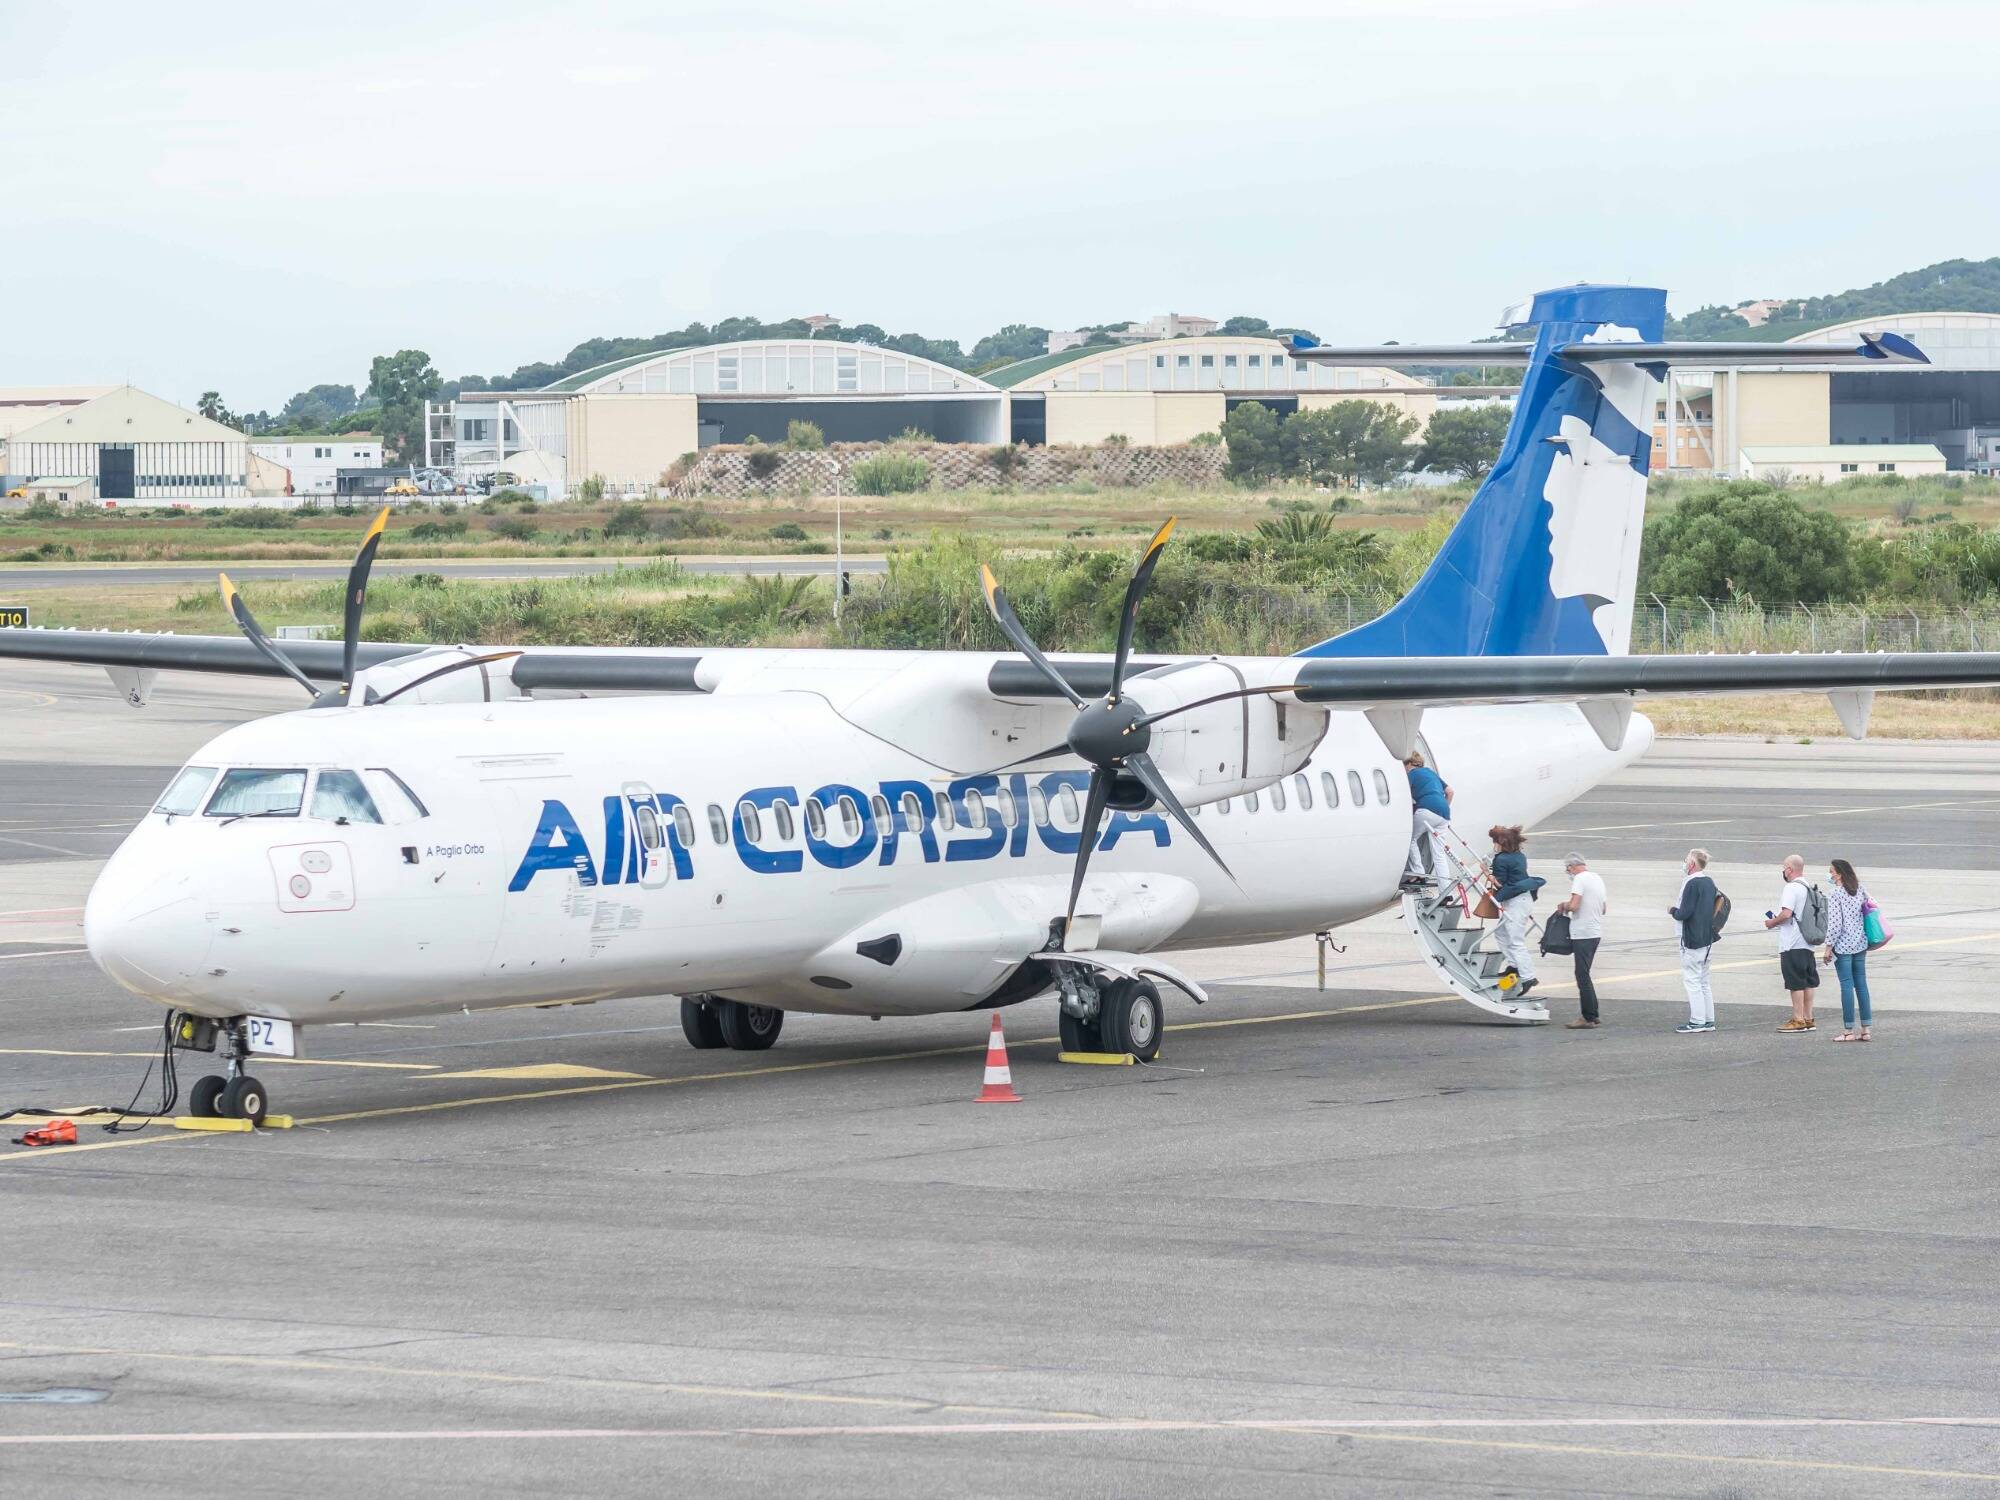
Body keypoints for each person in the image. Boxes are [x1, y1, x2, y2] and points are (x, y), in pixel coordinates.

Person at [1668, 847, 1721, 1034]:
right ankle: (1708, 1019)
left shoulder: (1690, 883)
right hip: (1707, 937)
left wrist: (1673, 911)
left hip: (1692, 938)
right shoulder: (1709, 881)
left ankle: (1697, 1020)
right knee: (1704, 981)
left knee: (1692, 980)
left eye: (1685, 860)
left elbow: (1685, 912)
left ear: (1691, 864)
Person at [1487, 825, 1544, 996]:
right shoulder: (1519, 856)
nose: (1494, 845)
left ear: (1500, 843)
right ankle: (1513, 965)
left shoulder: (1501, 859)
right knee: (1501, 933)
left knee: (1515, 940)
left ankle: (1528, 976)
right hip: (1523, 898)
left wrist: (1488, 875)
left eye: (1494, 841)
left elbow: (1500, 883)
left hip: (1515, 902)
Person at [1765, 853, 1819, 1033]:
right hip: (1807, 942)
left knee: (1795, 982)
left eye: (1784, 867)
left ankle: (1798, 1019)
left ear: (1789, 869)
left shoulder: (1791, 888)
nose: (1783, 871)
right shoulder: (1808, 887)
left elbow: (1786, 914)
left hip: (1792, 942)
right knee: (1808, 981)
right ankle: (1808, 1017)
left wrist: (1771, 922)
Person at [1823, 857, 1874, 1042]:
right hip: (1860, 943)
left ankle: (1848, 1030)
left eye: (1831, 871)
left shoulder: (1835, 894)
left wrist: (1828, 947)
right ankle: (1866, 1028)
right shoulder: (1859, 889)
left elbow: (1835, 924)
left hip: (1843, 945)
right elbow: (1872, 906)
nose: (1829, 874)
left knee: (1846, 985)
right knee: (1861, 984)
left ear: (1839, 874)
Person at [1557, 852, 1607, 1029]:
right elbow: (1604, 908)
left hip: (1583, 933)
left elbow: (1575, 905)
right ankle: (1593, 1013)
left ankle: (1588, 1017)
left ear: (1572, 866)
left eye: (1567, 868)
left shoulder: (1579, 879)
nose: (1568, 872)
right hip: (1595, 931)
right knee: (1584, 973)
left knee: (1582, 975)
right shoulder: (1597, 878)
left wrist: (1565, 905)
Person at [1401, 752, 1453, 890]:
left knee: (1411, 839)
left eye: (1405, 765)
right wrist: (1442, 808)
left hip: (1426, 809)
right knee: (1439, 854)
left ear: (1410, 764)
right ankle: (1445, 891)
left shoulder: (1412, 774)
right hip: (1444, 813)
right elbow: (1450, 792)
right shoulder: (1430, 772)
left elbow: (1403, 794)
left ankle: (1419, 874)